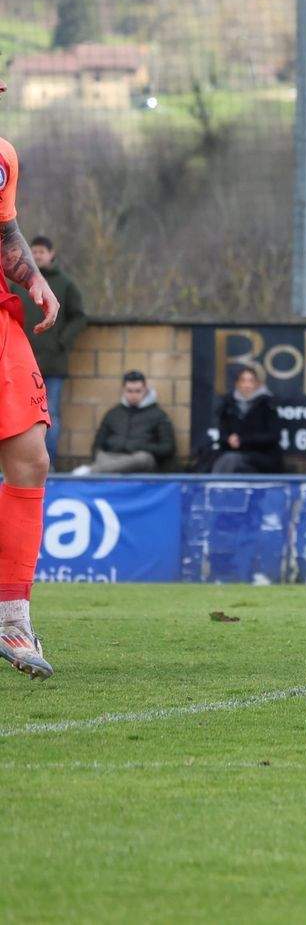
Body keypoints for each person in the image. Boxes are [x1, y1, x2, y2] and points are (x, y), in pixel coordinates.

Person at [0, 121, 64, 680]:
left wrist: (33, 279)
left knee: (32, 458)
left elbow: (5, 234)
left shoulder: (2, 156)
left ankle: (12, 618)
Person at [9, 235, 85, 467]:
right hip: (21, 362)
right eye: (35, 251)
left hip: (53, 363)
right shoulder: (19, 285)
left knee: (49, 414)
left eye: (42, 252)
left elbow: (79, 317)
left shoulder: (65, 284)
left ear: (51, 254)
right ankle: (17, 463)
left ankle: (48, 463)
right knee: (18, 413)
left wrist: (62, 342)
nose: (38, 255)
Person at [88, 370, 176, 473]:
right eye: (129, 391)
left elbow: (168, 448)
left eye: (138, 391)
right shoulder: (113, 414)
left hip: (139, 460)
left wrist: (140, 447)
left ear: (145, 390)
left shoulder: (159, 415)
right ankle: (102, 469)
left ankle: (92, 471)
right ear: (123, 391)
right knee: (100, 455)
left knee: (143, 458)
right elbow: (97, 445)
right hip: (111, 457)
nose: (133, 395)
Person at [210, 366, 284, 475]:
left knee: (231, 460)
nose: (247, 385)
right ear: (237, 384)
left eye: (251, 381)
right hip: (233, 454)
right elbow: (223, 434)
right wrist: (229, 439)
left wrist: (243, 440)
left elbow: (273, 436)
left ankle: (217, 489)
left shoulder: (268, 405)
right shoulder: (228, 405)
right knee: (222, 459)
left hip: (262, 457)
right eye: (243, 380)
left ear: (257, 384)